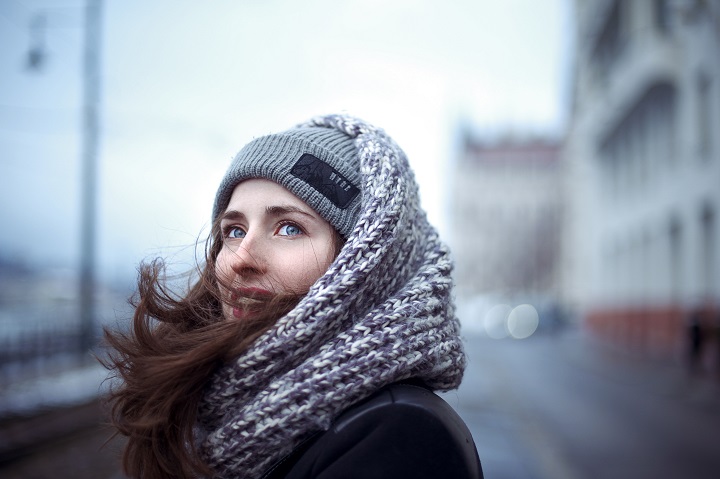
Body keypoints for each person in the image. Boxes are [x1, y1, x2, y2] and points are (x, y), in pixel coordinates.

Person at [103, 114, 483, 479]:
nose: (242, 257)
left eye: (289, 228)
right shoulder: (204, 406)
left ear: (364, 264)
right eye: (234, 230)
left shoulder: (401, 436)